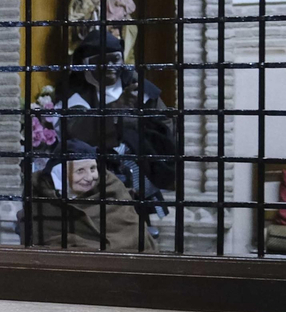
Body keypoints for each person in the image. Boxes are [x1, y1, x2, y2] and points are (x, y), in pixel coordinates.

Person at [59, 28, 177, 223]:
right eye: (102, 62)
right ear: (87, 65)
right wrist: (116, 108)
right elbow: (74, 130)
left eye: (115, 60)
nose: (110, 67)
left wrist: (137, 133)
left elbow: (163, 124)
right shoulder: (76, 91)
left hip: (138, 165)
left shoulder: (136, 84)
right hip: (93, 167)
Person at [27, 138, 157, 251]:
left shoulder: (111, 188)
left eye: (92, 169)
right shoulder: (40, 195)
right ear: (60, 174)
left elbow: (133, 233)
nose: (89, 178)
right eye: (80, 171)